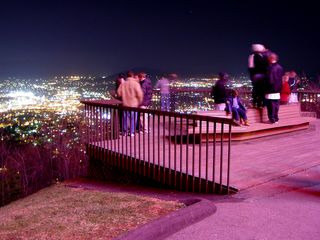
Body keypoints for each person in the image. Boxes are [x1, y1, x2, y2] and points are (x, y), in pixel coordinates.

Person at [117, 71, 144, 136]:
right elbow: (140, 95)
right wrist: (139, 102)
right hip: (134, 105)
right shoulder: (136, 84)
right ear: (132, 76)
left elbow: (118, 93)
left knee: (125, 118)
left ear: (127, 76)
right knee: (133, 118)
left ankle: (124, 131)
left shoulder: (123, 84)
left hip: (125, 104)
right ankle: (132, 132)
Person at [248, 44, 270, 108]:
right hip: (258, 77)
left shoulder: (254, 56)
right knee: (259, 90)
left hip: (258, 77)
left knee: (259, 91)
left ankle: (259, 103)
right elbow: (251, 68)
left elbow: (250, 67)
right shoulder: (254, 56)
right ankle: (259, 103)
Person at [265, 53, 284, 124]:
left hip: (270, 90)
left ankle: (272, 119)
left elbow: (269, 79)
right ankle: (276, 118)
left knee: (270, 106)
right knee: (276, 105)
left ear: (271, 59)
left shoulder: (269, 68)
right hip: (278, 90)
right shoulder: (280, 67)